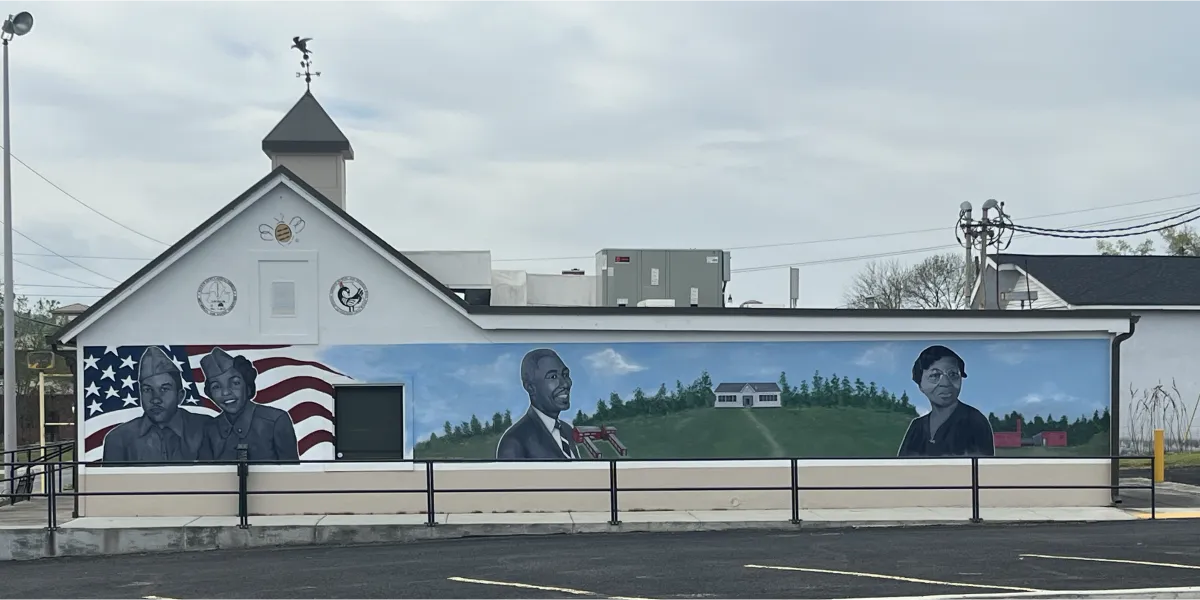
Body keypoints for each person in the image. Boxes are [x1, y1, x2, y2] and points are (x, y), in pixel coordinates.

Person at [102, 346, 211, 463]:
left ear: (180, 396)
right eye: (148, 390)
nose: (155, 399)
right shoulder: (118, 439)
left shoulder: (207, 429)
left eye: (164, 389)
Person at [199, 347, 300, 462]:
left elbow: (291, 475)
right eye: (216, 387)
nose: (225, 392)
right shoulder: (210, 429)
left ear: (247, 385)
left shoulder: (276, 421)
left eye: (235, 383)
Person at [897, 345, 995, 457]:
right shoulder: (916, 427)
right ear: (920, 385)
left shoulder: (974, 421)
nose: (946, 383)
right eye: (935, 375)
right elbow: (903, 468)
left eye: (953, 375)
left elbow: (979, 470)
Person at [496, 348, 580, 460]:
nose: (565, 383)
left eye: (565, 374)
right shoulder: (514, 443)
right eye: (553, 377)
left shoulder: (567, 431)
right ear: (530, 388)